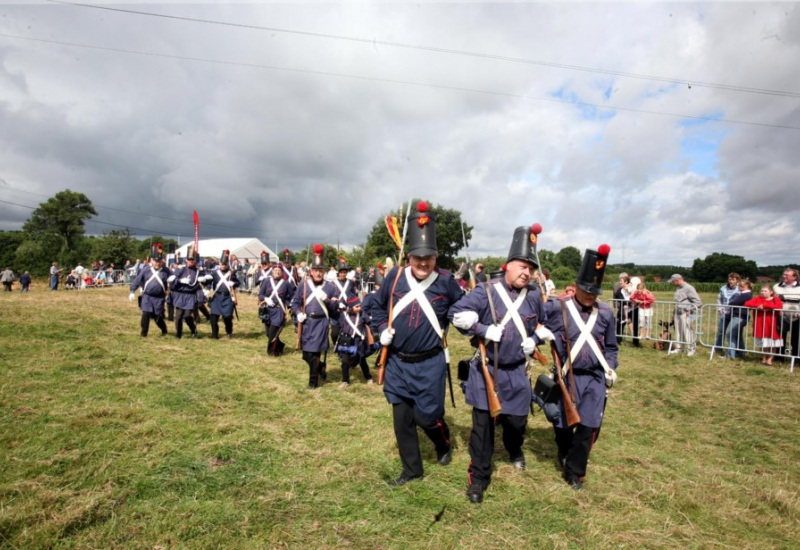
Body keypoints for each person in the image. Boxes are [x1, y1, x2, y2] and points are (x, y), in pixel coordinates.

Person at [448, 224, 549, 504]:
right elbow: (456, 313)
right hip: (486, 371)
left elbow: (548, 321)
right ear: (508, 265)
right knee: (482, 430)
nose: (527, 272)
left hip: (517, 372)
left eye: (531, 268)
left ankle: (514, 448)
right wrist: (482, 329)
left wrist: (537, 338)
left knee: (516, 423)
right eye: (522, 266)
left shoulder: (533, 297)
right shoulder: (486, 292)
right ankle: (478, 479)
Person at [370, 201, 464, 487]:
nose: (423, 263)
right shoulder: (394, 277)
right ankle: (412, 470)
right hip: (398, 362)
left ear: (436, 256)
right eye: (418, 257)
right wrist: (381, 327)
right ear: (408, 256)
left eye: (429, 257)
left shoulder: (447, 282)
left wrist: (467, 319)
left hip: (430, 362)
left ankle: (443, 443)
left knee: (427, 417)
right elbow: (376, 307)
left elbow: (462, 312)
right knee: (402, 420)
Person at [544, 244, 618, 490]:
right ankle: (564, 451)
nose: (590, 295)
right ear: (575, 287)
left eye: (594, 291)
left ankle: (574, 471)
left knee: (589, 426)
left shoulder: (606, 314)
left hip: (595, 378)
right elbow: (532, 317)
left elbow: (611, 347)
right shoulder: (557, 308)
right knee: (562, 424)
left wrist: (611, 368)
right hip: (568, 376)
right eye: (586, 290)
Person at [290, 244, 339, 389]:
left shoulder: (330, 287)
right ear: (311, 271)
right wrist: (298, 313)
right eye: (316, 270)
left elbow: (336, 308)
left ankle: (313, 383)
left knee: (315, 353)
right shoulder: (304, 285)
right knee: (307, 355)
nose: (318, 273)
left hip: (321, 323)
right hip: (307, 323)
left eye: (320, 270)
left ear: (324, 271)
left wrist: (327, 300)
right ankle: (320, 367)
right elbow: (295, 302)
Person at [129, 244, 170, 337]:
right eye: (156, 261)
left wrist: (173, 279)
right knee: (146, 314)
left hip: (159, 298)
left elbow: (174, 280)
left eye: (159, 261)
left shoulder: (166, 271)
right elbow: (137, 280)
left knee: (157, 317)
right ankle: (143, 334)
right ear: (151, 260)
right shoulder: (146, 270)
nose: (157, 263)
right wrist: (132, 291)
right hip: (147, 296)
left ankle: (164, 330)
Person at [336, 295, 375, 387]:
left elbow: (370, 323)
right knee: (345, 362)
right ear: (350, 307)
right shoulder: (343, 315)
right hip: (346, 341)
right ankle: (345, 381)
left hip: (358, 342)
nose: (359, 308)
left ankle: (368, 377)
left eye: (360, 306)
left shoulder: (362, 314)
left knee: (361, 360)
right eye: (356, 306)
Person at [258, 257, 293, 356]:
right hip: (267, 310)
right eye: (275, 270)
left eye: (279, 270)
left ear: (282, 272)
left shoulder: (286, 284)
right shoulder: (267, 281)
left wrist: (290, 305)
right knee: (268, 333)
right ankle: (280, 345)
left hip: (279, 311)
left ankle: (271, 353)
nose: (277, 272)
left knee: (273, 333)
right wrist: (265, 299)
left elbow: (292, 296)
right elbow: (260, 295)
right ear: (272, 271)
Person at [169, 245, 202, 339]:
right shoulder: (181, 269)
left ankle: (193, 329)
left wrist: (205, 281)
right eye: (189, 259)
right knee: (178, 316)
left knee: (187, 316)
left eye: (192, 259)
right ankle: (178, 334)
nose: (191, 261)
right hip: (181, 295)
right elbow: (174, 281)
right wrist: (179, 280)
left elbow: (205, 280)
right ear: (186, 260)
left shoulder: (198, 271)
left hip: (191, 296)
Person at [745, 285, 784, 365]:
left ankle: (770, 359)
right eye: (762, 291)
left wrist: (765, 306)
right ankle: (764, 358)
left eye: (765, 291)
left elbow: (778, 306)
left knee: (773, 343)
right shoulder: (757, 299)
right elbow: (747, 303)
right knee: (762, 342)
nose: (763, 292)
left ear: (771, 292)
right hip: (760, 323)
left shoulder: (776, 299)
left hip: (772, 324)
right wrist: (757, 306)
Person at [207, 250, 239, 339]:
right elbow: (210, 282)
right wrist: (206, 284)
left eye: (225, 264)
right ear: (219, 263)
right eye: (222, 264)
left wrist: (233, 283)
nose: (223, 265)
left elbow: (237, 283)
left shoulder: (231, 273)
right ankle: (214, 335)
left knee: (227, 318)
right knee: (213, 317)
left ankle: (229, 331)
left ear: (227, 264)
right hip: (217, 296)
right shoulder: (215, 273)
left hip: (227, 297)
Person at [668, 274, 702, 356]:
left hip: (686, 313)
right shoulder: (678, 288)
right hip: (677, 312)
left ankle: (691, 349)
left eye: (673, 282)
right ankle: (679, 348)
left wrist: (690, 310)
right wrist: (674, 313)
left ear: (677, 280)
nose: (672, 283)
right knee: (678, 331)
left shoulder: (689, 288)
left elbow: (698, 302)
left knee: (687, 330)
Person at [773, 268, 800, 361]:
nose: (784, 277)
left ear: (794, 277)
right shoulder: (776, 287)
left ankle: (796, 358)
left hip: (797, 316)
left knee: (796, 338)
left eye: (787, 275)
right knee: (780, 337)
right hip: (782, 315)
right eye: (783, 275)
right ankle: (779, 357)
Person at [725, 278, 753, 359]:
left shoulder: (745, 294)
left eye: (742, 286)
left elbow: (734, 302)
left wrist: (731, 302)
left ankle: (731, 354)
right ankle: (740, 353)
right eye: (739, 285)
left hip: (739, 316)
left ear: (747, 286)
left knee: (730, 334)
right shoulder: (746, 294)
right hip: (740, 316)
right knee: (737, 335)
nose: (740, 287)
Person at [714, 273, 741, 354]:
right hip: (725, 312)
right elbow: (719, 299)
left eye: (733, 280)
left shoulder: (740, 289)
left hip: (735, 313)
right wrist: (719, 308)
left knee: (733, 332)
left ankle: (734, 350)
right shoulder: (723, 288)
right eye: (729, 279)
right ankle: (718, 348)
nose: (731, 281)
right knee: (721, 331)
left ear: (737, 280)